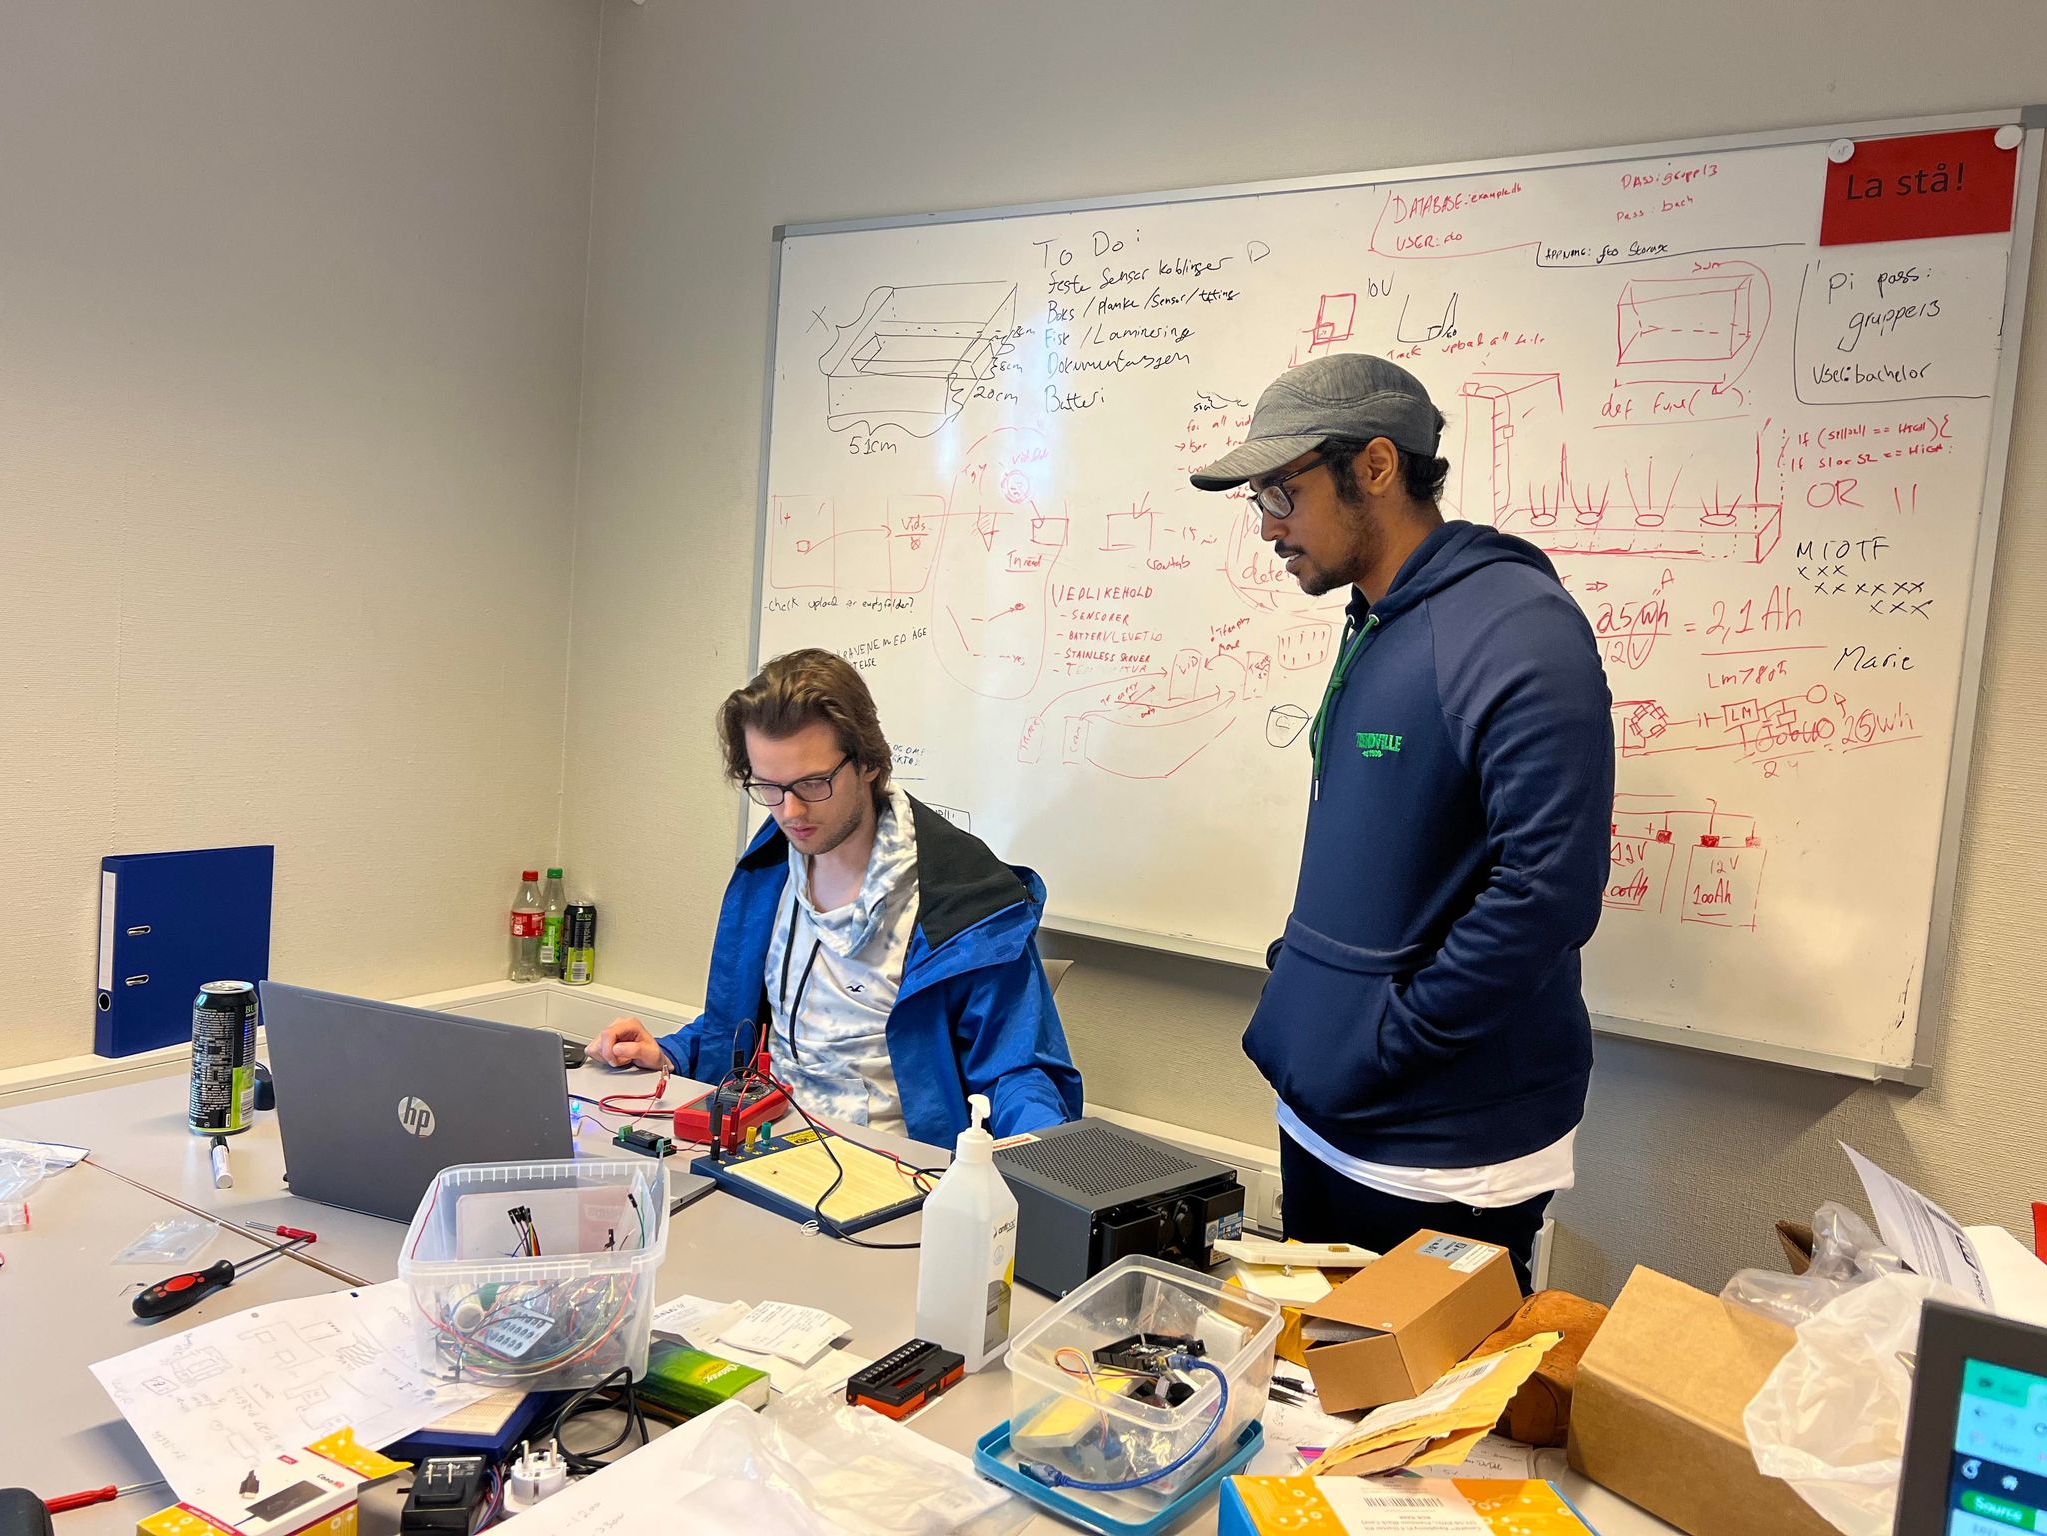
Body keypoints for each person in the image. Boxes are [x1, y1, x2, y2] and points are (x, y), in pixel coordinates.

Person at [1189, 353, 1613, 1290]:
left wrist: (1389, 1036)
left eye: (1283, 492)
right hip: (1328, 1120)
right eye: (1258, 498)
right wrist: (1312, 989)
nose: (1267, 526)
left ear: (1376, 466)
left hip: (1440, 1155)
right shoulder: (1377, 621)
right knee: (1314, 1377)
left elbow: (1548, 893)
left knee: (1420, 1391)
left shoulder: (1516, 629)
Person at [588, 648, 1084, 1145]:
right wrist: (671, 1052)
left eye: (813, 783)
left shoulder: (965, 905)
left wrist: (1042, 1161)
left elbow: (1016, 1072)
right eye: (769, 786)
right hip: (763, 1144)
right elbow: (759, 1025)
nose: (790, 811)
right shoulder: (767, 875)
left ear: (867, 762)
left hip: (894, 1166)